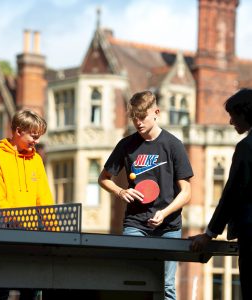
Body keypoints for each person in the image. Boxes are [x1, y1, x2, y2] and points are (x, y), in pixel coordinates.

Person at [98, 90, 193, 300]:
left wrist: (164, 212)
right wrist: (120, 191)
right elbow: (104, 178)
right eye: (134, 118)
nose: (138, 123)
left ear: (156, 112)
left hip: (168, 227)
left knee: (167, 286)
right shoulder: (126, 145)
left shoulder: (173, 145)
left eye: (142, 117)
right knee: (133, 282)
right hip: (135, 224)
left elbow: (186, 192)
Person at [190, 88, 252, 300]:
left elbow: (231, 195)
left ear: (245, 114)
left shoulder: (247, 147)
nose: (231, 122)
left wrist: (209, 233)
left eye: (233, 116)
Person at [0, 109, 54, 300]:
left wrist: (55, 231)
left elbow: (44, 198)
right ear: (18, 131)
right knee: (2, 287)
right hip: (5, 233)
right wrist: (14, 220)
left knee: (31, 288)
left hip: (32, 236)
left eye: (38, 137)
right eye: (33, 136)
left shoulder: (37, 160)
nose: (37, 141)